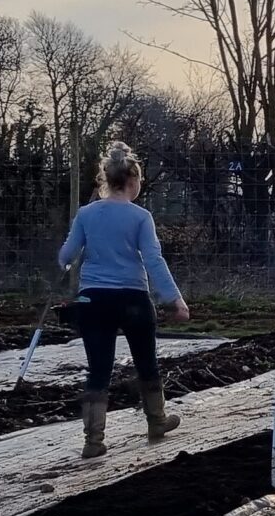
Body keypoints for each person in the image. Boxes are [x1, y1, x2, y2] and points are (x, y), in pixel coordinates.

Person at [56, 142, 191, 458]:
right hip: (133, 298)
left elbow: (66, 255)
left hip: (94, 300)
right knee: (146, 361)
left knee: (98, 369)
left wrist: (66, 262)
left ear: (106, 178)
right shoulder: (140, 217)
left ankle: (93, 441)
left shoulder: (86, 214)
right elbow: (154, 260)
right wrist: (175, 300)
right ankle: (156, 421)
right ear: (133, 180)